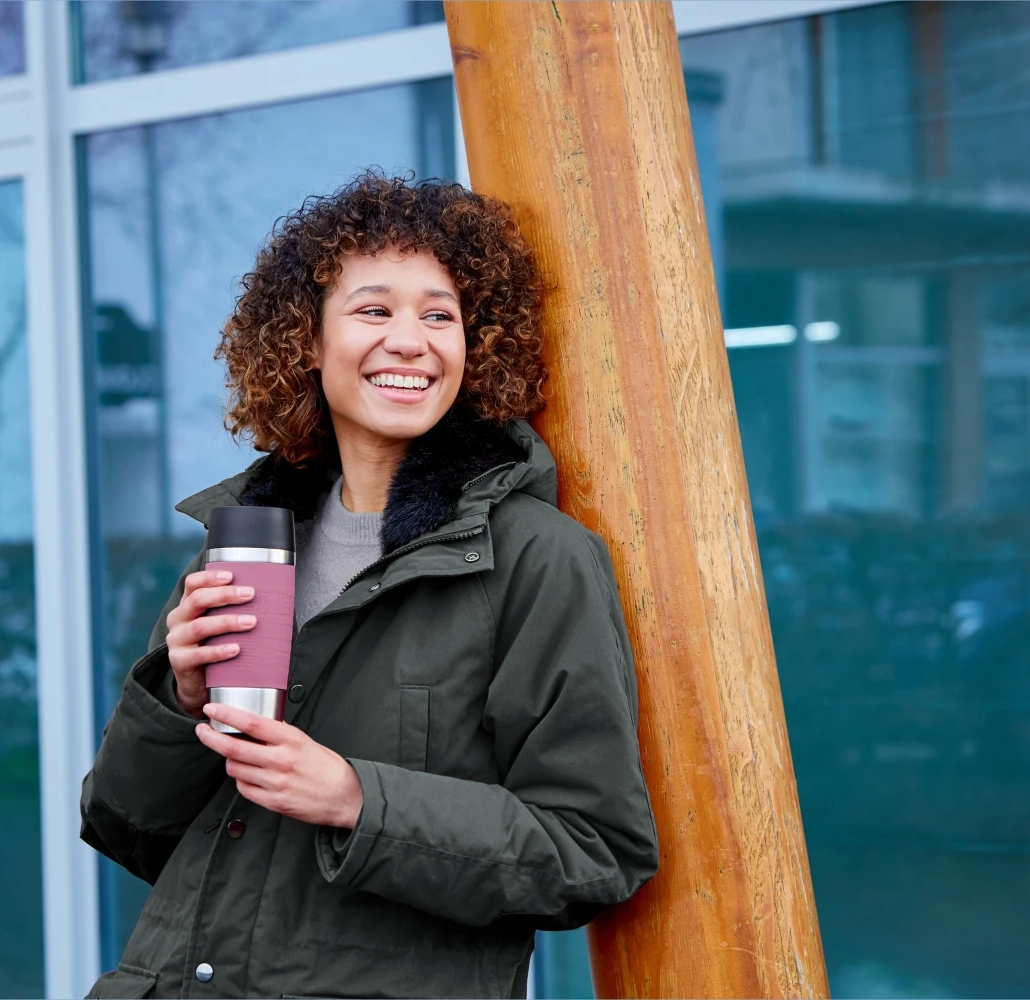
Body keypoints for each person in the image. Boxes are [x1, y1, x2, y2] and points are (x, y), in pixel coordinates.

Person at [81, 172, 659, 1000]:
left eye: (439, 314)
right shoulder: (245, 538)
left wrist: (359, 799)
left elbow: (592, 850)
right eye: (374, 310)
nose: (410, 341)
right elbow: (128, 828)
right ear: (307, 342)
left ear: (476, 345)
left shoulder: (537, 559)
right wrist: (177, 701)